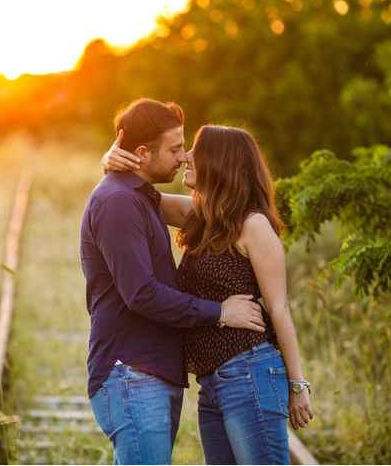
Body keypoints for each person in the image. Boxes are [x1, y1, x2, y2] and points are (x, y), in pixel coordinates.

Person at [102, 122, 314, 464]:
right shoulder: (202, 217)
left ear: (220, 162)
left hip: (250, 372)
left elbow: (279, 309)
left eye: (195, 151)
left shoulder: (253, 225)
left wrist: (298, 384)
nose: (186, 156)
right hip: (212, 384)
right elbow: (133, 197)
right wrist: (111, 162)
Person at [80, 98, 267, 465]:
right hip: (131, 371)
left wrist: (110, 160)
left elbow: (223, 211)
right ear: (143, 152)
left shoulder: (140, 198)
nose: (183, 157)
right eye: (176, 148)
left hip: (151, 371)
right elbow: (141, 294)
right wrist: (220, 312)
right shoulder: (118, 202)